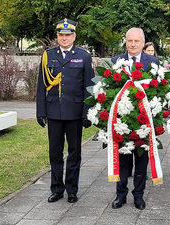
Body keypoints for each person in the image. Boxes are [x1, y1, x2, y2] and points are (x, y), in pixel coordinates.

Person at [36, 18, 95, 203]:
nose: (64, 38)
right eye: (61, 35)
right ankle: (56, 189)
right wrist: (41, 111)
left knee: (74, 152)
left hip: (75, 112)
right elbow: (41, 86)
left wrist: (87, 113)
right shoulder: (48, 56)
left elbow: (89, 87)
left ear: (74, 36)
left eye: (68, 35)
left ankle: (71, 189)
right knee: (55, 152)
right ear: (57, 36)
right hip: (53, 111)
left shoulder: (84, 57)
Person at [111, 27, 159, 210]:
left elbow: (158, 91)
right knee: (122, 160)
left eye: (136, 41)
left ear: (142, 42)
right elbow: (110, 90)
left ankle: (138, 195)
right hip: (122, 123)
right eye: (129, 41)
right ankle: (120, 195)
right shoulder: (117, 61)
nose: (132, 44)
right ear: (126, 42)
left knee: (141, 161)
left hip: (143, 122)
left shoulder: (152, 62)